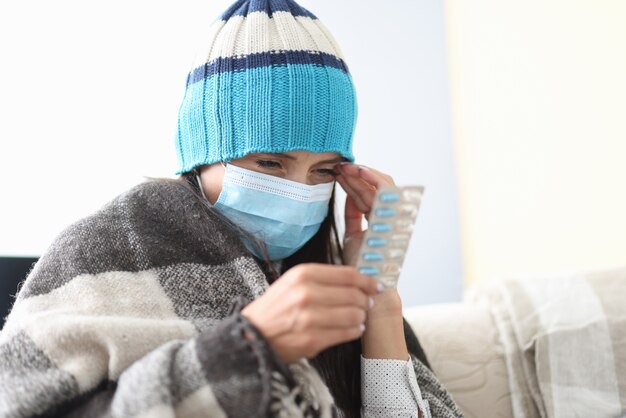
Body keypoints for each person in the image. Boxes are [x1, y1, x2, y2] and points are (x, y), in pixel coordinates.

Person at [0, 0, 464, 417]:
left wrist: (379, 298)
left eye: (324, 171)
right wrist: (248, 347)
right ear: (201, 156)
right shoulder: (101, 248)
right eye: (269, 162)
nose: (299, 190)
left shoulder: (327, 267)